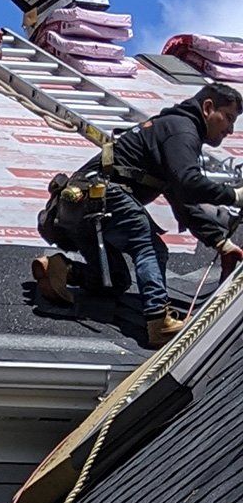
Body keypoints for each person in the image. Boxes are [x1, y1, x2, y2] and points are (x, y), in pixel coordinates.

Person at [34, 80, 243, 345]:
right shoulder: (182, 130)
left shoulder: (167, 130)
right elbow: (188, 182)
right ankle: (158, 321)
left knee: (114, 280)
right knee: (151, 249)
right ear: (208, 107)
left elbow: (183, 201)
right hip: (105, 196)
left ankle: (60, 269)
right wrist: (234, 195)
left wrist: (221, 242)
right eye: (227, 118)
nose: (231, 129)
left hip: (77, 206)